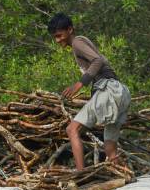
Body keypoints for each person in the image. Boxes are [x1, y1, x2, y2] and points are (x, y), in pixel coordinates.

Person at [48, 12, 131, 170]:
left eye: (59, 35)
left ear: (70, 30)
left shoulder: (77, 42)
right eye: (55, 37)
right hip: (120, 91)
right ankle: (126, 175)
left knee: (72, 129)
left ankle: (80, 175)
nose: (58, 40)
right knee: (110, 149)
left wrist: (80, 84)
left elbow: (97, 61)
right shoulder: (82, 42)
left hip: (109, 89)